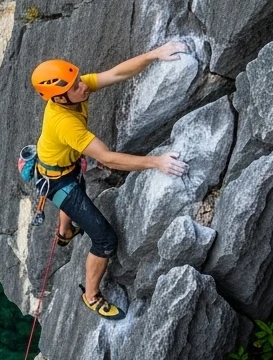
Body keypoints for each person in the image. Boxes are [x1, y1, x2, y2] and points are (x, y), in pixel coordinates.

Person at [30, 42, 190, 319]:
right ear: (58, 98)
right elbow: (108, 159)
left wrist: (154, 54)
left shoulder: (72, 94)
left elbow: (116, 74)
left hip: (62, 166)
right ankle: (91, 295)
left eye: (79, 81)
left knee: (76, 189)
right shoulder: (64, 122)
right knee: (105, 240)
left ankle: (64, 233)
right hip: (57, 181)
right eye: (74, 86)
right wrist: (156, 162)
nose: (83, 86)